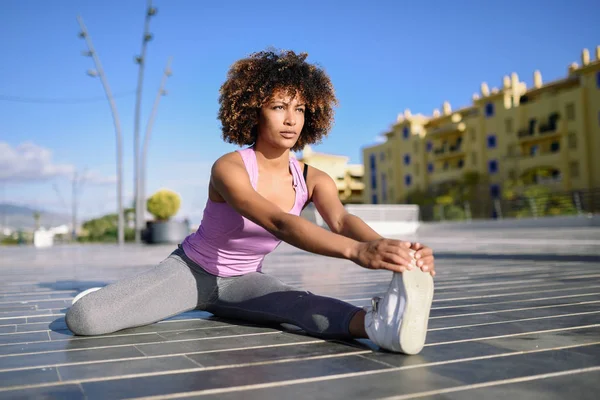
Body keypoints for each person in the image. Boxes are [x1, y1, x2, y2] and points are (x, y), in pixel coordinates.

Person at [66, 49, 435, 355]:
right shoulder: (229, 168)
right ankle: (112, 297)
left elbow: (340, 221)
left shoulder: (313, 178)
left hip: (244, 282)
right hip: (191, 272)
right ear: (253, 110)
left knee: (297, 304)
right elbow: (278, 222)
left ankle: (378, 324)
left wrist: (393, 251)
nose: (292, 120)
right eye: (278, 107)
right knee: (86, 320)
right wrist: (357, 253)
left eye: (301, 109)